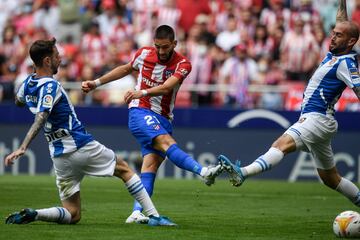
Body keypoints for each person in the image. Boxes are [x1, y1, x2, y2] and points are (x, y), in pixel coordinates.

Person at [4, 38, 175, 226]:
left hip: (59, 155)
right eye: (56, 56)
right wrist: (23, 147)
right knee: (125, 170)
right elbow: (42, 116)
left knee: (73, 214)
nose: (60, 60)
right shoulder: (51, 86)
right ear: (46, 61)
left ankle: (36, 214)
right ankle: (154, 216)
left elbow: (19, 101)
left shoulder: (28, 83)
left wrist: (30, 98)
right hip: (78, 144)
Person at [219, 0, 360, 208]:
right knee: (330, 179)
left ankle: (243, 173)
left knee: (281, 145)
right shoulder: (335, 54)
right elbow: (341, 20)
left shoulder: (346, 63)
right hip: (320, 120)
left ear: (351, 42)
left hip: (317, 118)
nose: (333, 37)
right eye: (333, 33)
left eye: (338, 35)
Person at [82, 25, 223, 223]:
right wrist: (96, 83)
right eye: (158, 47)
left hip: (164, 118)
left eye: (165, 47)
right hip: (140, 111)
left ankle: (136, 212)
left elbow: (167, 88)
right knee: (166, 142)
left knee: (149, 167)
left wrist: (143, 91)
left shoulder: (183, 63)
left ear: (174, 44)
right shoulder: (144, 54)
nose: (161, 51)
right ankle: (204, 172)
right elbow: (125, 68)